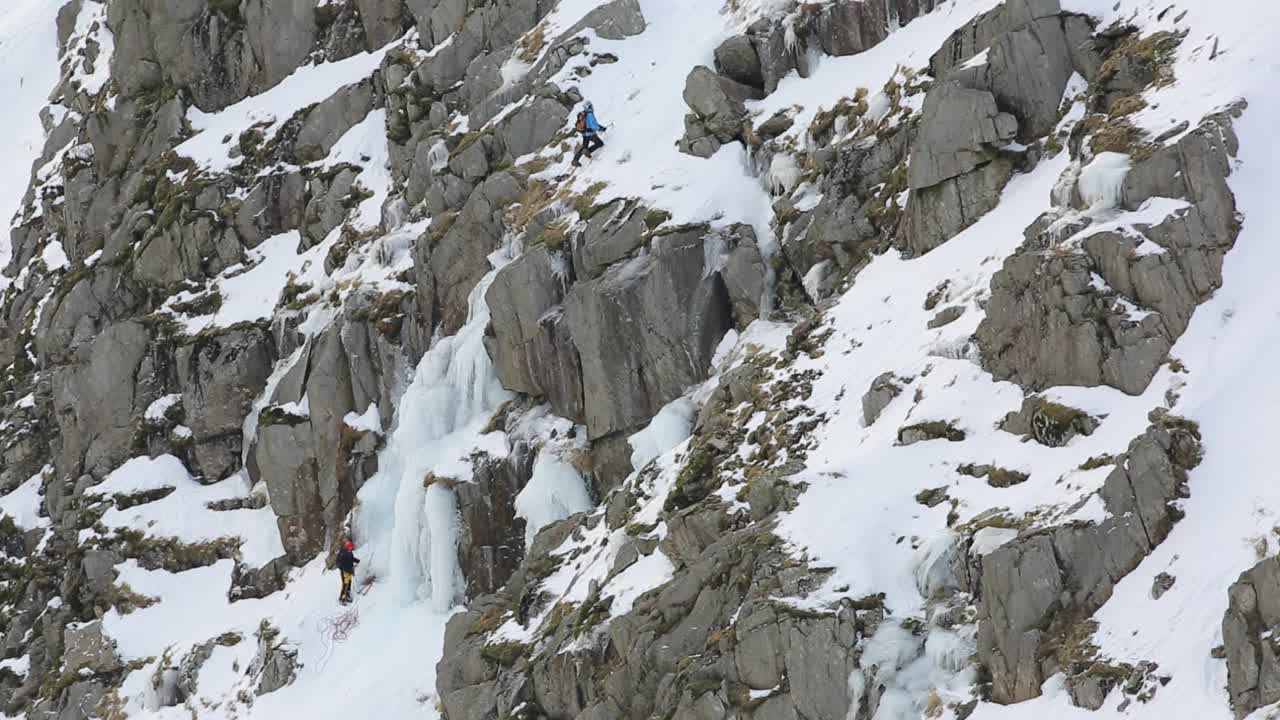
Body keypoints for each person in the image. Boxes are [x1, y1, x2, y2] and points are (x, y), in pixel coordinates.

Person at [572, 101, 606, 167]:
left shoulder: (583, 114)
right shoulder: (590, 115)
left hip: (584, 134)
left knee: (584, 146)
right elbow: (595, 126)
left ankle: (575, 160)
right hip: (591, 134)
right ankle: (588, 151)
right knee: (600, 143)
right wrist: (602, 129)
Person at [337, 540, 360, 604]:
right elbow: (342, 564)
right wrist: (348, 570)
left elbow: (351, 558)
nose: (351, 549)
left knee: (349, 583)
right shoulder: (343, 554)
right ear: (347, 547)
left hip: (349, 571)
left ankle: (347, 595)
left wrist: (357, 561)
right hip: (345, 571)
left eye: (351, 548)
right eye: (350, 548)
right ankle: (342, 598)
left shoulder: (349, 552)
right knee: (345, 584)